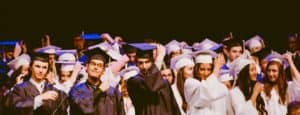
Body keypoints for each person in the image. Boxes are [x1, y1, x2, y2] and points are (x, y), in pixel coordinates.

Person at [126, 43, 180, 115]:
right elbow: (152, 87)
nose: (144, 66)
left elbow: (173, 106)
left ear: (152, 62)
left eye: (147, 62)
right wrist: (158, 60)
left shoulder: (165, 83)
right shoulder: (134, 81)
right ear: (136, 63)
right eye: (140, 63)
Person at [69, 47, 125, 115]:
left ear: (103, 71)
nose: (96, 67)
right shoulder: (76, 90)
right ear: (86, 67)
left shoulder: (114, 92)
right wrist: (99, 91)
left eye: (100, 65)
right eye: (93, 64)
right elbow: (83, 108)